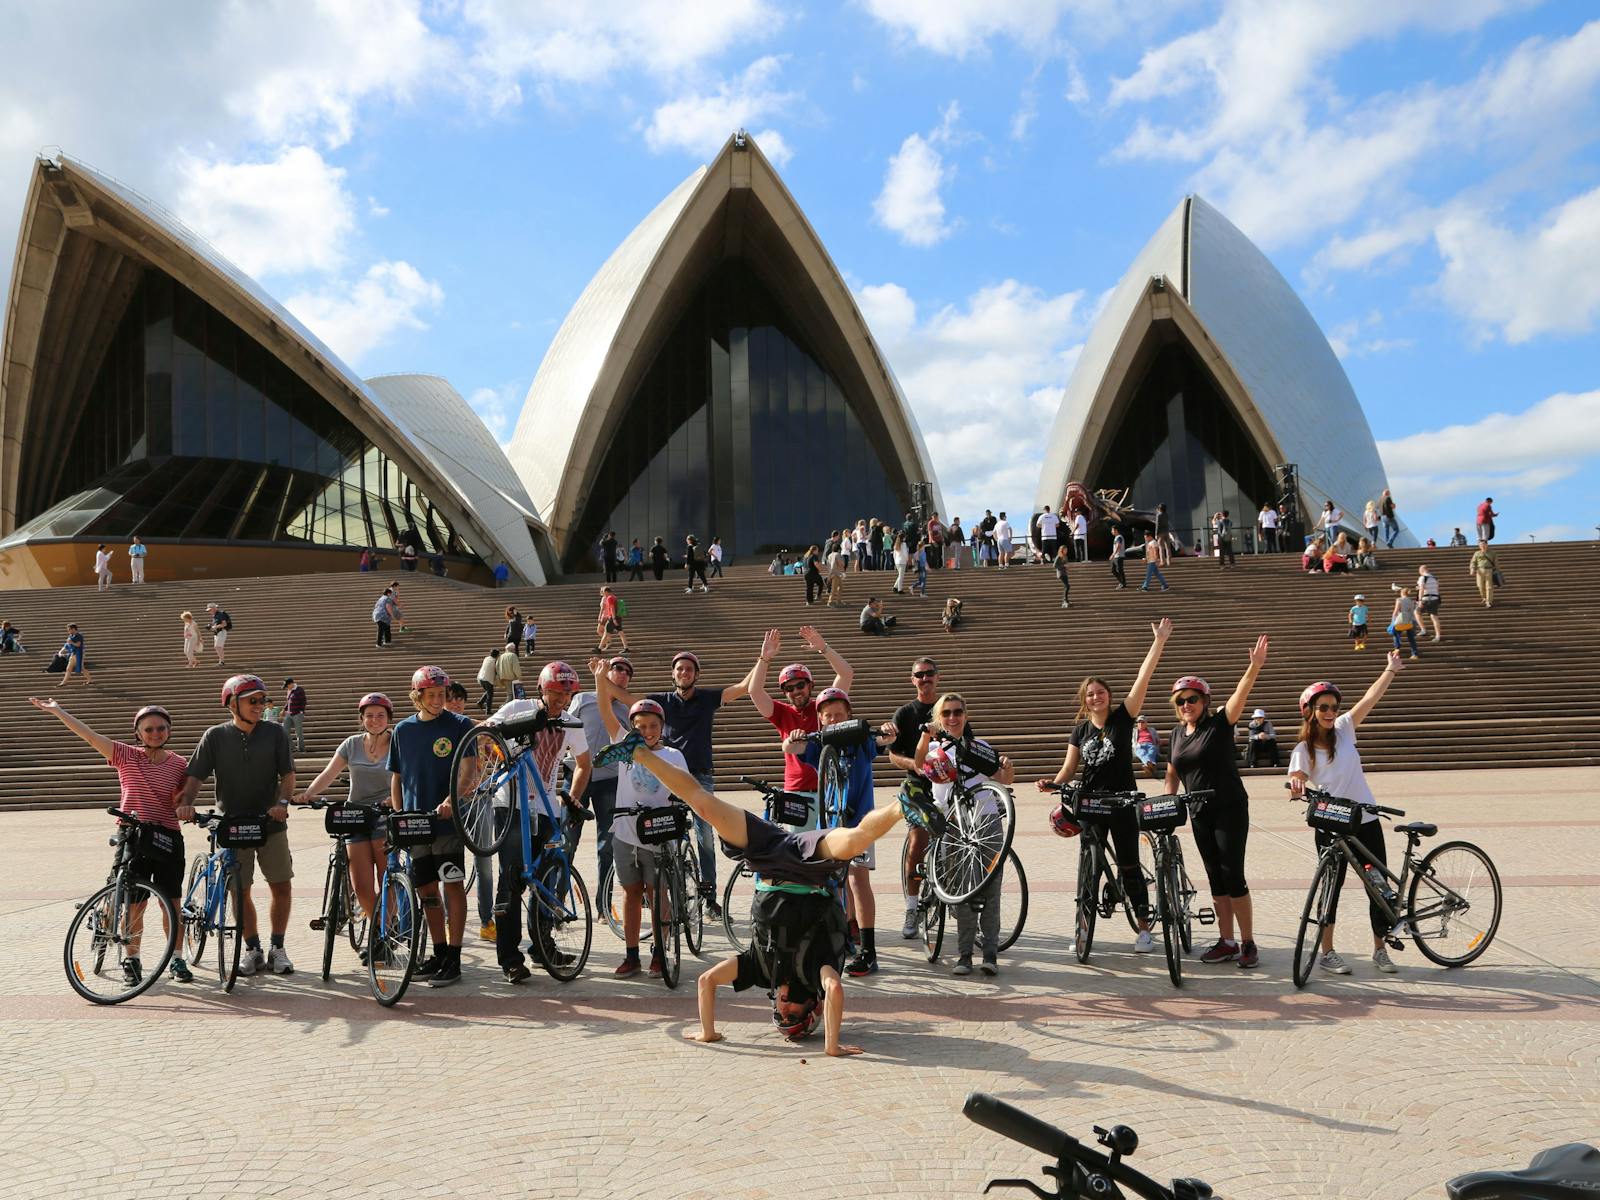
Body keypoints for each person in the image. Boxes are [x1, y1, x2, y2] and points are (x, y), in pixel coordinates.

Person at [593, 729, 923, 1057]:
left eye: (780, 1013)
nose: (785, 1005)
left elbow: (706, 981)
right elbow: (834, 987)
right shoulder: (815, 974)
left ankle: (639, 752)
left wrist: (709, 1032)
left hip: (767, 858)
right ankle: (902, 803)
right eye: (793, 1013)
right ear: (812, 1007)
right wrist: (832, 1046)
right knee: (854, 840)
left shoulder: (759, 970)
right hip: (812, 869)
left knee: (704, 806)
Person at [32, 697, 194, 983]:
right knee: (135, 904)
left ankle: (177, 959)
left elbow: (180, 799)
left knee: (171, 902)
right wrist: (59, 711)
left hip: (168, 836)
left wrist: (185, 805)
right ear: (138, 733)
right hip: (134, 834)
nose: (155, 733)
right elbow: (90, 736)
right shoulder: (125, 755)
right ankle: (132, 960)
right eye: (149, 729)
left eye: (161, 728)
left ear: (169, 730)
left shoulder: (179, 763)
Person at [1038, 618, 1172, 953]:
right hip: (1090, 805)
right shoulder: (1080, 731)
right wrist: (1053, 783)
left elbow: (1143, 679)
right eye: (1090, 694)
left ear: (1109, 696)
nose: (1096, 697)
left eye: (1100, 692)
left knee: (1128, 864)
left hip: (1122, 803)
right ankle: (1082, 930)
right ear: (1085, 701)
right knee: (1089, 869)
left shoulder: (1123, 719)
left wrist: (1158, 642)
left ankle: (1144, 930)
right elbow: (1070, 768)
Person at [610, 650, 758, 920]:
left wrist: (764, 659)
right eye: (679, 669)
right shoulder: (661, 702)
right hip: (668, 774)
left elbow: (743, 688)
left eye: (689, 669)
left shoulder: (706, 699)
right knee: (672, 838)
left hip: (700, 775)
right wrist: (600, 679)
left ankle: (710, 898)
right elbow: (628, 700)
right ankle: (675, 897)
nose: (684, 673)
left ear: (696, 674)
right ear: (673, 673)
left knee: (706, 838)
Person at [1288, 654, 1410, 975]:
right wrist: (1296, 785)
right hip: (1331, 826)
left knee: (1377, 885)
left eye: (1333, 707)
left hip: (1365, 821)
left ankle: (1380, 950)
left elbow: (1370, 698)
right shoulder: (1303, 749)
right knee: (1331, 887)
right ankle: (1327, 952)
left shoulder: (1344, 729)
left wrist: (1390, 670)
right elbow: (1297, 776)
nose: (1330, 712)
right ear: (1310, 712)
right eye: (1323, 707)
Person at [176, 675, 295, 976]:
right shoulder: (215, 736)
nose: (259, 706)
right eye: (252, 701)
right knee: (240, 891)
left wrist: (281, 804)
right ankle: (253, 949)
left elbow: (288, 775)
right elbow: (195, 777)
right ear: (232, 703)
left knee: (280, 884)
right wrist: (185, 803)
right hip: (232, 824)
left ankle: (277, 947)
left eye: (262, 700)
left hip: (270, 823)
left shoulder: (275, 733)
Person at [1165, 635, 1270, 969]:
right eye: (1180, 700)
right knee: (1214, 876)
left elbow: (1241, 696)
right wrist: (1169, 801)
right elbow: (1173, 771)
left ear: (1205, 700)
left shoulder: (1219, 723)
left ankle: (1249, 943)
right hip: (1198, 811)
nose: (1186, 705)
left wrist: (1253, 667)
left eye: (1192, 699)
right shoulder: (1177, 733)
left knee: (1232, 875)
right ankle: (1227, 941)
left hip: (1229, 807)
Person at [485, 662, 592, 983]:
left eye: (566, 695)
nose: (560, 700)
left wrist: (570, 798)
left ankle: (543, 946)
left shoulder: (572, 723)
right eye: (554, 694)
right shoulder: (519, 707)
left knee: (547, 878)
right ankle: (510, 958)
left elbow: (584, 764)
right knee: (512, 878)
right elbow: (485, 733)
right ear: (541, 690)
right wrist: (501, 754)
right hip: (511, 804)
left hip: (546, 809)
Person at [783, 687, 893, 976]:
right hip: (829, 825)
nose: (834, 720)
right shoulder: (819, 744)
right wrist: (793, 739)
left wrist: (886, 732)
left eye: (839, 715)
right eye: (828, 716)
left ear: (849, 716)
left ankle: (869, 951)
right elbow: (791, 750)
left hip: (861, 823)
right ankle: (838, 938)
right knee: (831, 884)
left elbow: (884, 741)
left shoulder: (861, 742)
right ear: (820, 719)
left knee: (858, 880)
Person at [586, 660, 682, 976]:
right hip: (626, 832)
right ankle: (631, 954)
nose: (647, 731)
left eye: (653, 726)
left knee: (658, 894)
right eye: (640, 726)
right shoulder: (624, 747)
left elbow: (686, 790)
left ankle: (659, 952)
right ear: (631, 727)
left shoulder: (672, 756)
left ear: (662, 727)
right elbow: (603, 708)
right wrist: (601, 678)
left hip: (658, 833)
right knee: (631, 893)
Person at [385, 666, 478, 986]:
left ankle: (454, 955)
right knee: (426, 889)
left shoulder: (460, 725)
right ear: (417, 696)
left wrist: (451, 801)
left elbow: (470, 773)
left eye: (442, 695)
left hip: (447, 824)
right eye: (432, 695)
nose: (439, 700)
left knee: (451, 883)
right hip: (415, 825)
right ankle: (438, 950)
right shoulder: (403, 731)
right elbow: (396, 777)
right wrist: (398, 815)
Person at [294, 692, 395, 940]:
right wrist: (308, 793)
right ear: (362, 718)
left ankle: (386, 932)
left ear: (388, 719)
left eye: (380, 715)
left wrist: (395, 799)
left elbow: (409, 777)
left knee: (387, 879)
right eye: (369, 716)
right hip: (356, 815)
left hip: (384, 814)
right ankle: (380, 928)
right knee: (360, 884)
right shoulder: (351, 744)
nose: (375, 720)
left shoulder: (398, 743)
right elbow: (329, 774)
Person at [747, 627, 855, 802]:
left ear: (811, 685)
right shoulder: (781, 713)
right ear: (784, 693)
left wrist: (824, 648)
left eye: (800, 686)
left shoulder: (824, 706)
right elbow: (755, 691)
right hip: (796, 791)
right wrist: (764, 658)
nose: (796, 691)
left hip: (829, 788)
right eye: (789, 688)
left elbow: (846, 674)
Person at [885, 656, 945, 938]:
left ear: (937, 677)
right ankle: (912, 906)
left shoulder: (949, 709)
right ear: (913, 680)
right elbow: (893, 755)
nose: (925, 679)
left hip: (947, 784)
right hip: (917, 786)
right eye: (919, 675)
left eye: (929, 674)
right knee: (919, 838)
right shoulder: (905, 713)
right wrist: (915, 766)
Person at [572, 655, 636, 908]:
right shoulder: (583, 699)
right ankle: (555, 900)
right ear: (606, 671)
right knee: (566, 839)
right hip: (578, 775)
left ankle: (602, 905)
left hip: (610, 781)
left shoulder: (628, 710)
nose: (621, 672)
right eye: (616, 667)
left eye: (626, 671)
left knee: (607, 846)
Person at [442, 681, 496, 942]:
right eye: (450, 699)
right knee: (449, 863)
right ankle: (449, 918)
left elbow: (495, 753)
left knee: (484, 862)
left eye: (459, 700)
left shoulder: (477, 728)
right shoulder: (438, 731)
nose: (455, 704)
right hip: (452, 802)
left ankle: (487, 920)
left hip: (480, 799)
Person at [1389, 587, 1421, 659]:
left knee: (1396, 634)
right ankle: (1414, 654)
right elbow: (1412, 611)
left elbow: (1396, 611)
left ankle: (1397, 649)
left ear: (1402, 593)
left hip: (1400, 620)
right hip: (1410, 621)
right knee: (1411, 638)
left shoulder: (1399, 600)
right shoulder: (1411, 601)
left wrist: (1392, 621)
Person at [1470, 539, 1501, 608]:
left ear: (1487, 545)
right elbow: (1473, 562)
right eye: (1481, 544)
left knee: (1489, 587)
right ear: (1479, 546)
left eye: (1484, 544)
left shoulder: (1492, 553)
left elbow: (1496, 563)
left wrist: (1497, 571)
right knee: (1480, 586)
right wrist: (1472, 569)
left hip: (1489, 570)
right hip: (1479, 571)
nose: (1482, 546)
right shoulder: (1477, 553)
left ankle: (1488, 601)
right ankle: (1484, 597)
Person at [596, 585, 627, 653]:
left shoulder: (609, 598)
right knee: (621, 632)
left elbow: (612, 608)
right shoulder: (614, 597)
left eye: (604, 592)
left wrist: (613, 618)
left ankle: (599, 649)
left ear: (606, 591)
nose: (603, 593)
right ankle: (626, 647)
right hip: (618, 617)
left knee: (606, 633)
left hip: (612, 618)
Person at [1416, 564, 1443, 642]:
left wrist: (1420, 600)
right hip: (1435, 598)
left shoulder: (1423, 578)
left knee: (1417, 612)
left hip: (1426, 598)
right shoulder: (1435, 578)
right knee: (1434, 617)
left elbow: (1421, 590)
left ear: (1422, 570)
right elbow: (1437, 589)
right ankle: (1438, 636)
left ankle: (1423, 629)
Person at [282, 678, 307, 754]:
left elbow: (304, 701)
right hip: (289, 714)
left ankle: (301, 749)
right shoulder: (289, 691)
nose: (287, 688)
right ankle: (293, 748)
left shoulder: (299, 690)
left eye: (287, 686)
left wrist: (301, 711)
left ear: (291, 684)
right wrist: (284, 709)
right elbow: (288, 702)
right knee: (284, 730)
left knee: (298, 732)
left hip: (297, 714)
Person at [476, 647, 499, 714]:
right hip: (487, 679)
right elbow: (496, 670)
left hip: (481, 678)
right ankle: (488, 710)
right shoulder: (494, 661)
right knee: (490, 695)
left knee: (488, 692)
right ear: (497, 655)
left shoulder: (486, 658)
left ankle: (480, 702)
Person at [1108, 525, 1128, 589]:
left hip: (1119, 556)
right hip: (1116, 556)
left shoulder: (1119, 537)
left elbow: (1118, 546)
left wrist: (1113, 554)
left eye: (1112, 530)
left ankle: (1123, 583)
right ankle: (1121, 582)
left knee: (1120, 570)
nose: (1111, 532)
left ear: (1116, 530)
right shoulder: (1116, 537)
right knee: (1113, 570)